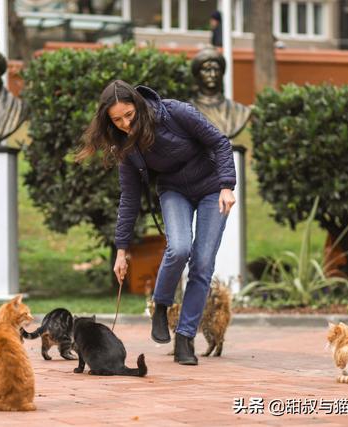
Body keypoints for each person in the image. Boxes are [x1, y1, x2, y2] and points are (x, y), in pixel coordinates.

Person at [76, 80, 236, 365]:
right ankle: (161, 305)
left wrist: (226, 185)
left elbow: (220, 142)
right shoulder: (125, 146)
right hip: (175, 191)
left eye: (129, 115)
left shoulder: (175, 113)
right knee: (179, 247)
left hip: (212, 187)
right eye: (117, 120)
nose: (125, 123)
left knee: (202, 263)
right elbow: (129, 197)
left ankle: (185, 337)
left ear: (138, 105)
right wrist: (122, 251)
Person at [191, 46, 251, 139]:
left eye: (216, 69)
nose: (213, 74)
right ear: (197, 74)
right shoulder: (188, 110)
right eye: (207, 70)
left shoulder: (240, 111)